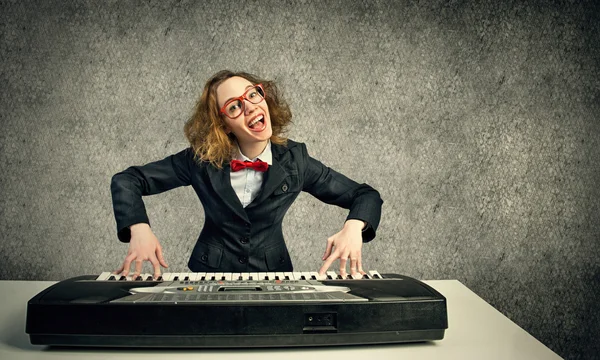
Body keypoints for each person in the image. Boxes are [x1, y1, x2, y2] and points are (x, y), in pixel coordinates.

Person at [110, 70, 383, 280]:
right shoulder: (200, 160)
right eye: (234, 106)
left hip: (274, 275)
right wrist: (139, 228)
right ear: (223, 125)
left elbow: (365, 195)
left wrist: (354, 227)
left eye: (253, 94)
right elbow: (127, 180)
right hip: (208, 274)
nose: (250, 106)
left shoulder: (296, 161)